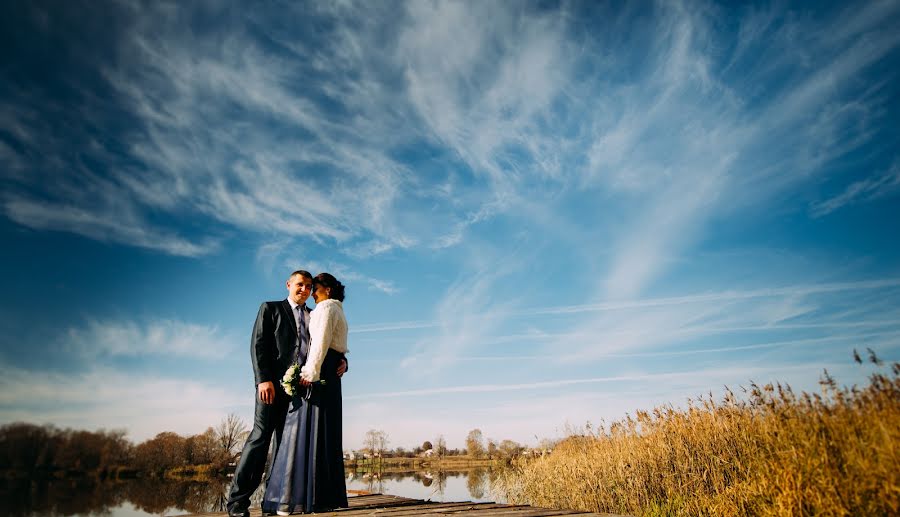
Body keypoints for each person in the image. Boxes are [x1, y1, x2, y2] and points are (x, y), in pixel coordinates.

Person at [227, 270, 347, 517]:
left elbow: (326, 341)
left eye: (309, 286)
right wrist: (263, 380)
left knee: (285, 445)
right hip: (271, 387)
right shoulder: (270, 309)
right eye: (300, 285)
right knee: (260, 438)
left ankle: (274, 501)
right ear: (289, 285)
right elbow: (258, 345)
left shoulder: (317, 313)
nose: (304, 290)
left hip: (300, 390)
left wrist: (343, 360)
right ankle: (237, 502)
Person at [262, 272, 349, 515]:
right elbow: (338, 343)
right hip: (329, 376)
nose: (310, 292)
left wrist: (309, 374)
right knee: (322, 435)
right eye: (305, 286)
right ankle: (318, 497)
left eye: (315, 287)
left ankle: (292, 499)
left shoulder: (323, 309)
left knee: (300, 434)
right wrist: (340, 360)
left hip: (317, 375)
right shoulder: (337, 309)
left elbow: (320, 342)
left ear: (327, 290)